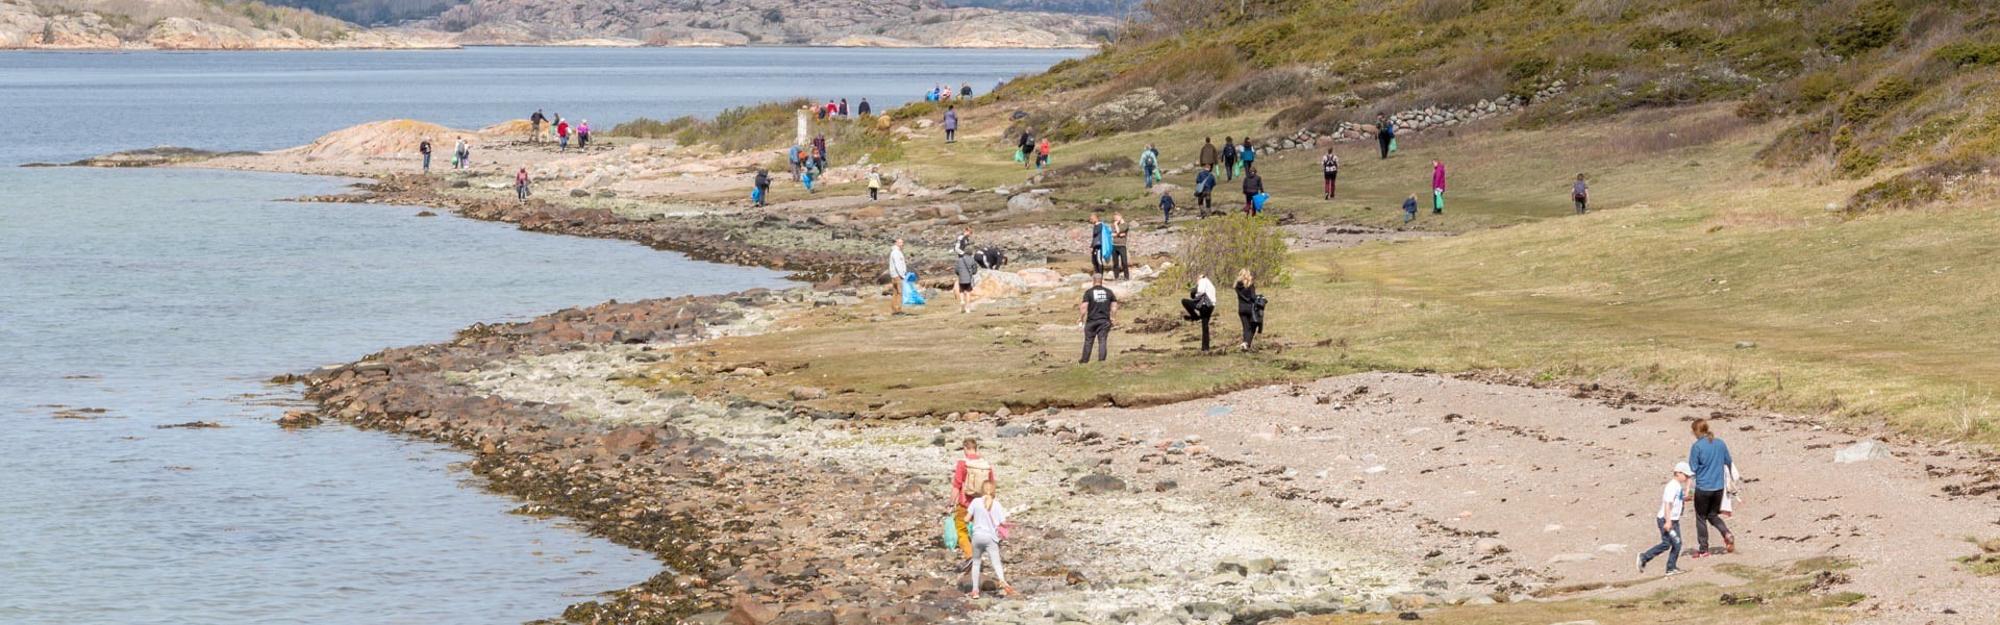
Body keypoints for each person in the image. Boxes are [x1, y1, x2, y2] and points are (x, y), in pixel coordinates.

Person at [1687, 419, 1737, 557]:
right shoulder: (1720, 443)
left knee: (1701, 517)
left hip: (1703, 487)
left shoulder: (1697, 446)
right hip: (1718, 487)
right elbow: (1728, 461)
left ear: (1696, 431)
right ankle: (1726, 533)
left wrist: (1689, 490)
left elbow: (1693, 468)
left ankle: (1703, 549)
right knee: (1713, 515)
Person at [1638, 462, 1693, 576]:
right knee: (1674, 543)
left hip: (1674, 520)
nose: (1687, 478)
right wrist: (1668, 522)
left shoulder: (1677, 486)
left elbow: (1680, 499)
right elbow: (1667, 504)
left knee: (1671, 544)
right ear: (1678, 473)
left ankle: (1669, 567)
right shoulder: (1672, 486)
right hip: (1666, 519)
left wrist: (1687, 489)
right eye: (1686, 475)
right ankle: (1645, 557)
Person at [965, 480, 1015, 598]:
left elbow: (966, 519)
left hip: (977, 536)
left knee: (976, 563)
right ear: (994, 491)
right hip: (990, 537)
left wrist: (976, 520)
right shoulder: (997, 504)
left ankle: (975, 590)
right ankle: (1003, 581)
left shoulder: (976, 502)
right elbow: (1002, 522)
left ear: (981, 490)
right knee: (996, 563)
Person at [950, 438, 995, 567]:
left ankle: (970, 555)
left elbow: (956, 486)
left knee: (961, 529)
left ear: (965, 448)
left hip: (966, 503)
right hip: (982, 503)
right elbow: (992, 486)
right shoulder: (986, 465)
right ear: (976, 448)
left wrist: (950, 503)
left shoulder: (962, 464)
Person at [1079, 273, 1117, 363]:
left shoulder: (1089, 292)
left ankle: (1084, 360)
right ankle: (1101, 360)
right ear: (1101, 280)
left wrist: (1081, 318)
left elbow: (1084, 307)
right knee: (1102, 340)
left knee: (1088, 341)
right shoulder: (1109, 292)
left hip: (1091, 320)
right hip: (1104, 320)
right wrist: (1113, 317)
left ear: (1093, 280)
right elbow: (1114, 306)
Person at [1181, 273, 1217, 351]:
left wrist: (1194, 292)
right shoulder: (1211, 285)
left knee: (1184, 301)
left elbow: (1200, 291)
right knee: (1205, 327)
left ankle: (1195, 317)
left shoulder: (1202, 280)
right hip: (1211, 306)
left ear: (1199, 278)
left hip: (1204, 305)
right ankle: (1205, 348)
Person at [1234, 268, 1261, 350]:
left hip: (1241, 309)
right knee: (1253, 326)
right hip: (1250, 309)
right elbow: (1253, 297)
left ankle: (1245, 344)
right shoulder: (1250, 285)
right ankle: (1247, 343)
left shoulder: (1237, 286)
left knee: (1245, 327)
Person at [889, 238, 909, 314]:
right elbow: (898, 265)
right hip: (898, 275)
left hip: (894, 275)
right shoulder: (896, 252)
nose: (902, 244)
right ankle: (898, 310)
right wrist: (902, 275)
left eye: (902, 242)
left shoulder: (895, 252)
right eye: (900, 243)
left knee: (895, 292)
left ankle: (894, 308)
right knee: (900, 292)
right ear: (896, 243)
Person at [954, 250, 979, 314]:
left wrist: (959, 274)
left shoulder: (959, 260)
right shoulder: (972, 260)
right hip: (968, 278)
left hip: (961, 278)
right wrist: (972, 273)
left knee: (961, 290)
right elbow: (975, 269)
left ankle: (962, 301)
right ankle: (967, 307)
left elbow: (956, 270)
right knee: (968, 292)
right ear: (971, 254)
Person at [1111, 213, 1131, 280]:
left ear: (1120, 217)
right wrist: (1118, 234)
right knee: (1115, 263)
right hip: (1114, 245)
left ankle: (1126, 277)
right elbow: (1112, 234)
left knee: (1124, 262)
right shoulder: (1113, 224)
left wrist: (1116, 226)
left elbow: (1119, 231)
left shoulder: (1125, 225)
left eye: (1116, 217)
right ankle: (1116, 277)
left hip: (1122, 245)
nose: (1115, 219)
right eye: (1114, 218)